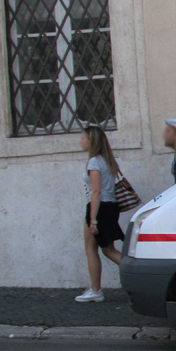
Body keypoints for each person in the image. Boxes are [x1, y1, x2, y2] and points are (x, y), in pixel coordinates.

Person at [75, 126, 124, 303]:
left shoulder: (94, 162)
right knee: (108, 250)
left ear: (91, 141)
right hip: (111, 207)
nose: (80, 141)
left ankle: (96, 291)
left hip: (98, 208)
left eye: (83, 138)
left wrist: (93, 219)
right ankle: (136, 272)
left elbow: (95, 191)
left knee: (91, 249)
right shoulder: (107, 160)